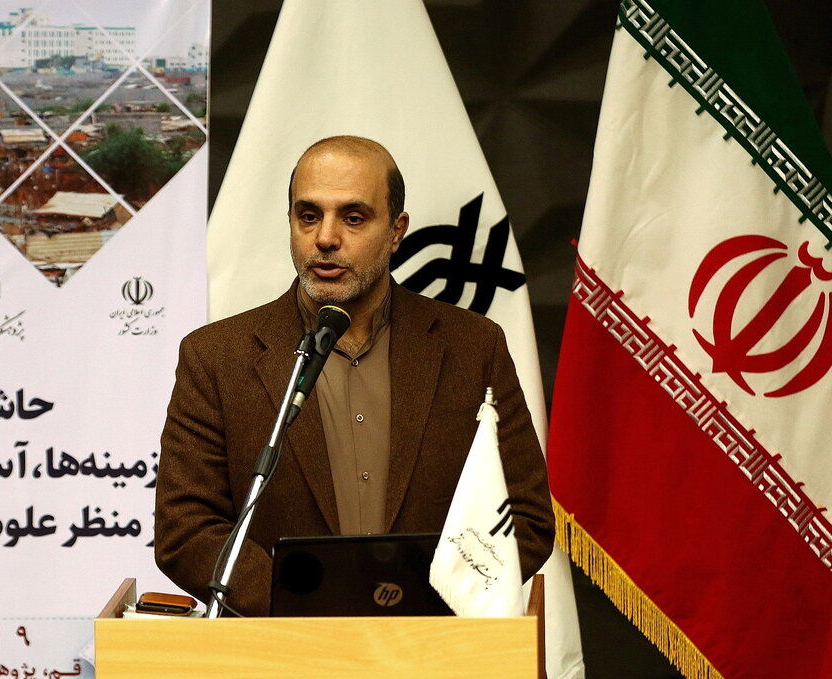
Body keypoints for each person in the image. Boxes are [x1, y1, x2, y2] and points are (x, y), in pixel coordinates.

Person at [155, 136, 552, 616]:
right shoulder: (217, 357)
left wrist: (425, 605)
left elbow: (524, 517)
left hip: (435, 644)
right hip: (283, 648)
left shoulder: (472, 347)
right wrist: (307, 608)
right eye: (308, 216)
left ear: (397, 231)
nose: (325, 237)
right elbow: (187, 529)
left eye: (354, 217)